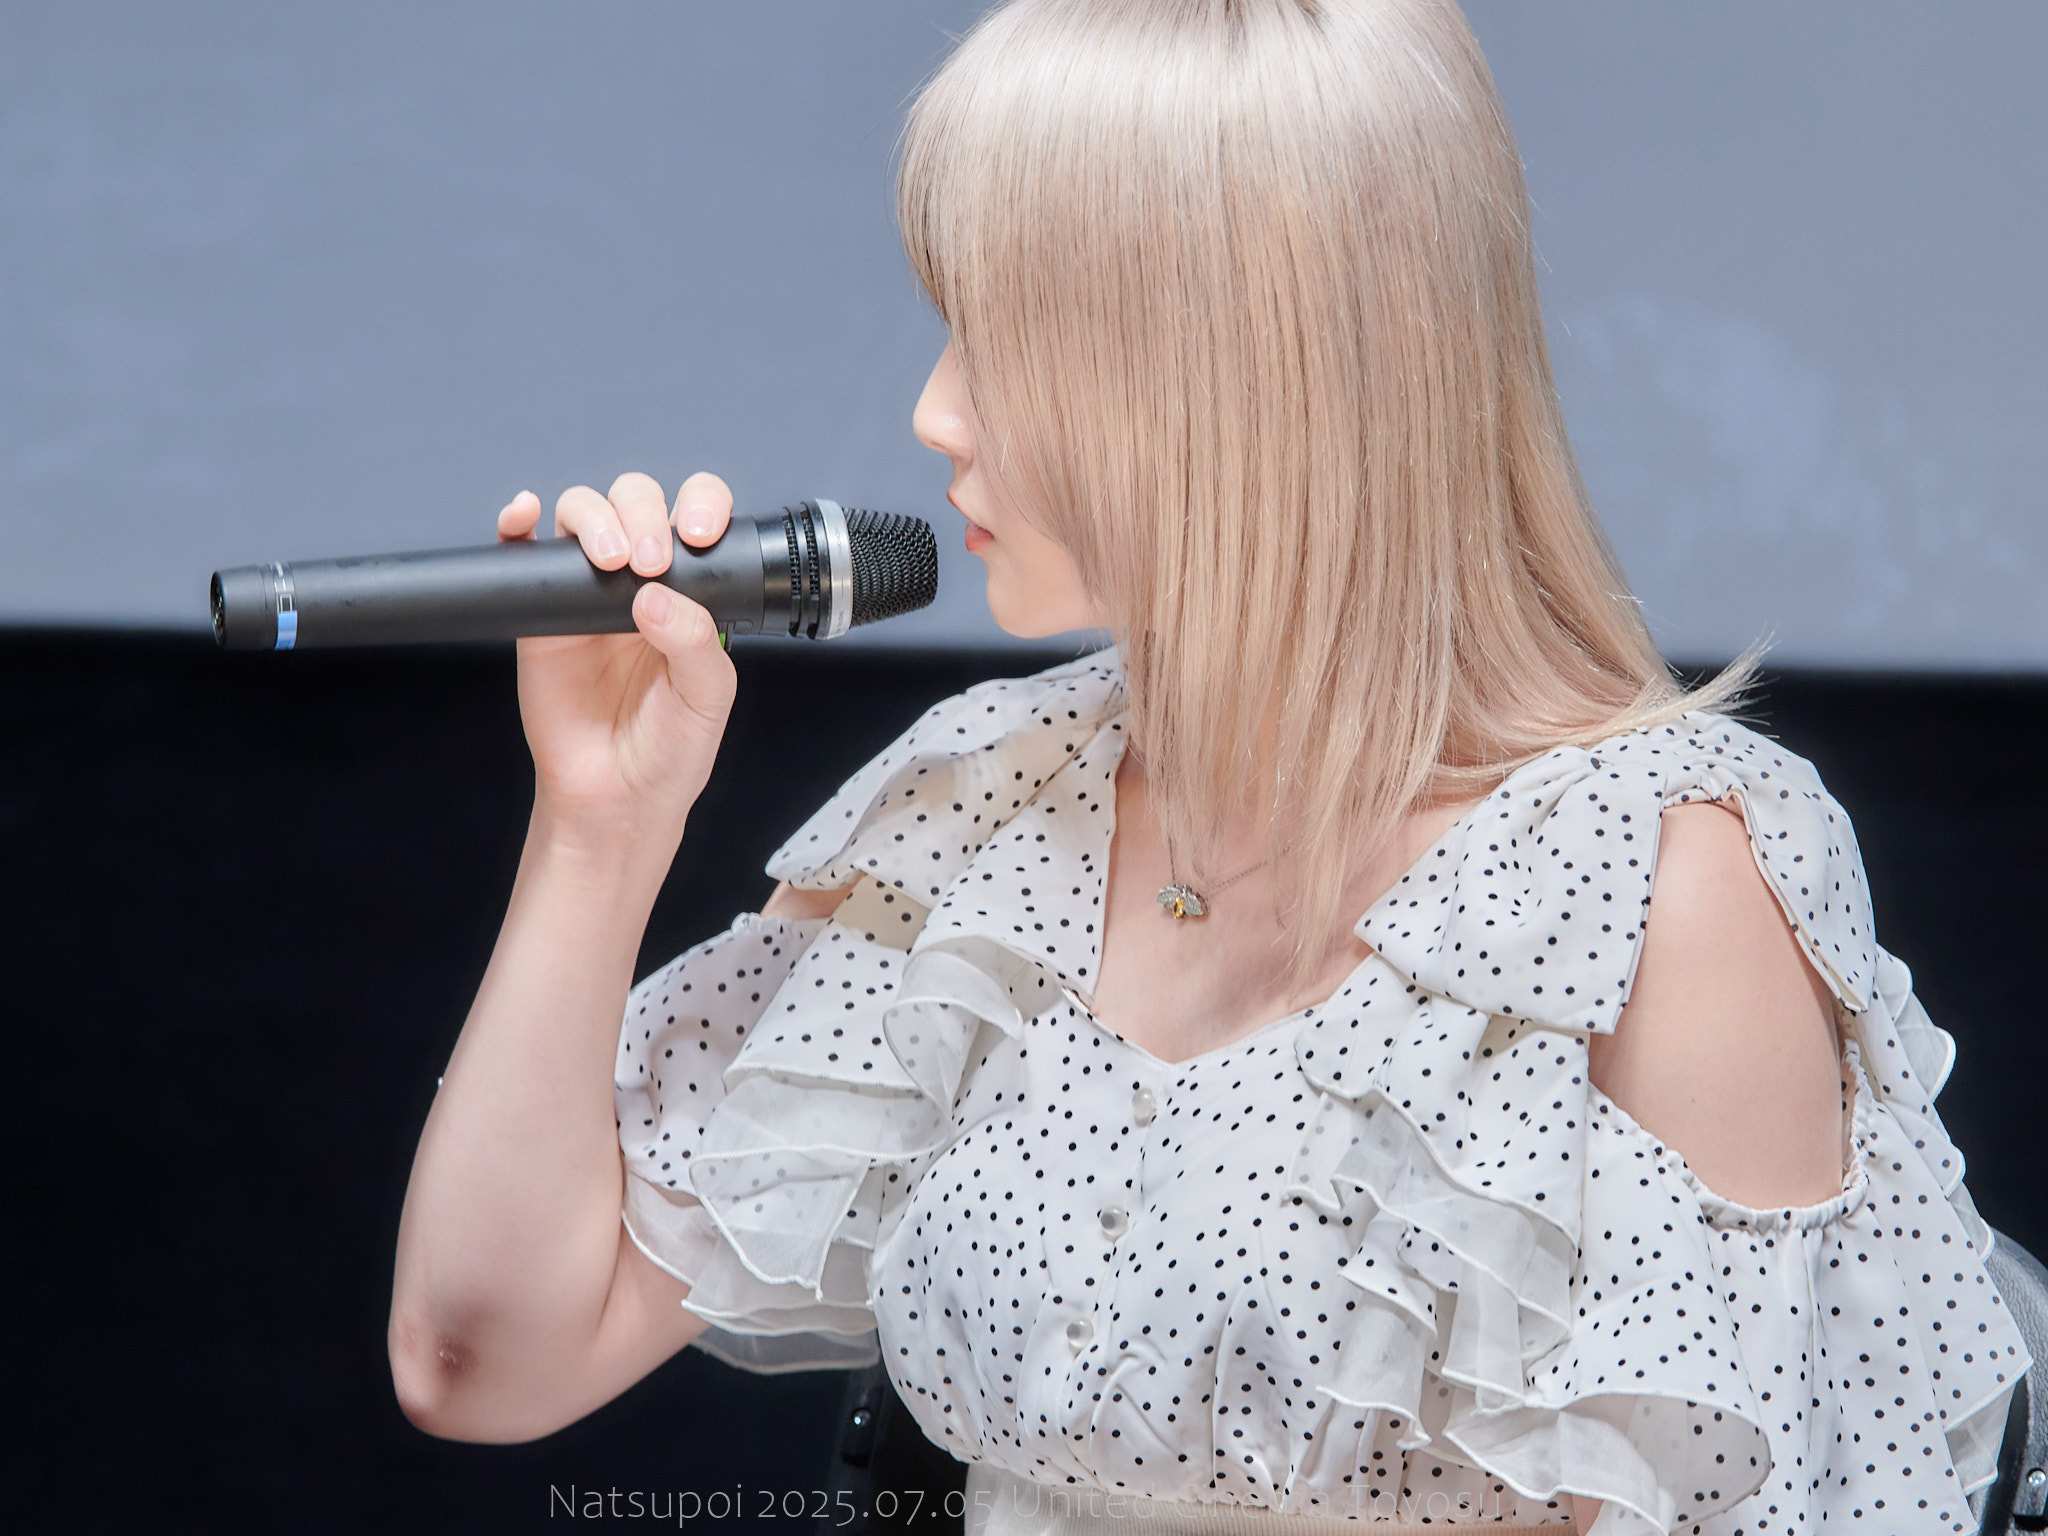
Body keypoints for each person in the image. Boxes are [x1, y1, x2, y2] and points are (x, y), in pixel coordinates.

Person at [387, 1, 2028, 1530]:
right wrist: (597, 826)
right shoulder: (997, 801)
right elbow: (479, 1361)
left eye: (1005, 337)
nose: (934, 414)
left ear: (1251, 364)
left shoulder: (1654, 886)